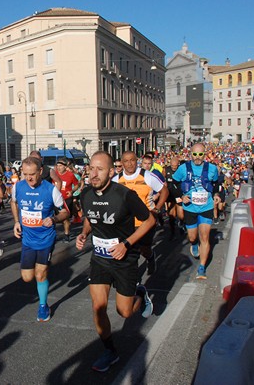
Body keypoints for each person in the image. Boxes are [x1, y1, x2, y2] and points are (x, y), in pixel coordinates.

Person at [76, 151, 155, 372]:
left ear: (111, 172)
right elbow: (89, 219)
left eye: (99, 169)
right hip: (100, 259)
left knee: (125, 312)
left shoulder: (125, 195)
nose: (93, 173)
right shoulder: (85, 195)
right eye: (91, 168)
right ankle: (110, 351)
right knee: (98, 307)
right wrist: (83, 234)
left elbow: (150, 221)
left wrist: (127, 244)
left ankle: (140, 294)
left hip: (124, 258)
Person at [10, 156, 68, 322]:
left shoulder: (50, 190)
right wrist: (16, 222)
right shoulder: (18, 187)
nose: (29, 178)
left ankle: (43, 306)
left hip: (45, 239)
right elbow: (13, 202)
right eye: (26, 174)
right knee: (27, 277)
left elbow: (65, 212)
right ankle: (41, 276)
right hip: (27, 240)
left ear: (41, 172)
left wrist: (55, 219)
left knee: (40, 274)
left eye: (33, 174)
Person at [113, 151, 168, 276]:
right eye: (126, 161)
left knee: (144, 249)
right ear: (122, 163)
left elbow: (164, 191)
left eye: (132, 160)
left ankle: (150, 257)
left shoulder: (147, 176)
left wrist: (157, 209)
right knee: (131, 251)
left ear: (136, 160)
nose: (129, 164)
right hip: (126, 223)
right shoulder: (116, 180)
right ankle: (134, 278)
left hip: (146, 222)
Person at [171, 143, 219, 279]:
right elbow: (173, 183)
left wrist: (216, 195)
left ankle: (202, 268)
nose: (197, 157)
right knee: (193, 236)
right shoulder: (183, 168)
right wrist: (181, 195)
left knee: (205, 236)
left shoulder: (212, 169)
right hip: (190, 207)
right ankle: (193, 243)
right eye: (195, 154)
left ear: (205, 154)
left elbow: (216, 184)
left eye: (201, 154)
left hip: (206, 206)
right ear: (190, 154)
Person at [54, 157, 79, 243]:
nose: (58, 167)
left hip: (66, 199)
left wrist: (72, 191)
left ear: (65, 166)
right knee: (53, 217)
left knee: (65, 218)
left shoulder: (70, 175)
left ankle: (67, 235)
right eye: (57, 166)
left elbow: (77, 184)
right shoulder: (54, 174)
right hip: (54, 199)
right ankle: (53, 235)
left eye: (60, 166)